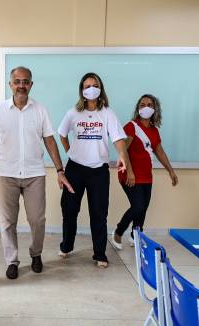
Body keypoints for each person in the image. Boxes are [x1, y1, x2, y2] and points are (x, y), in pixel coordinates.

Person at [0, 66, 68, 280]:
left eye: (25, 81)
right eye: (17, 81)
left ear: (31, 84)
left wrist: (60, 170)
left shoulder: (40, 110)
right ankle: (11, 261)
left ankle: (36, 254)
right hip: (6, 173)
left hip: (34, 174)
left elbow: (50, 140)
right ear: (10, 84)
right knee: (7, 222)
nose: (21, 85)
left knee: (37, 220)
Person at [57, 72, 132, 268]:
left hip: (99, 171)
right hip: (75, 170)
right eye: (87, 85)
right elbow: (62, 134)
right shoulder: (73, 112)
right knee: (70, 209)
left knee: (99, 213)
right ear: (82, 90)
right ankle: (66, 246)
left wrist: (123, 156)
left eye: (94, 85)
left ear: (100, 89)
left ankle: (100, 253)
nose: (91, 88)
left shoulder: (107, 113)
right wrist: (70, 151)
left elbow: (118, 139)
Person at [111, 94, 178, 249]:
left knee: (143, 208)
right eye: (142, 104)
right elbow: (123, 150)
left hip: (146, 176)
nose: (145, 107)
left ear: (155, 109)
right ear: (138, 108)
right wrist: (130, 172)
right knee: (138, 206)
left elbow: (160, 152)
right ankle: (118, 231)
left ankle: (136, 236)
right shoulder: (131, 126)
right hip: (129, 174)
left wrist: (171, 171)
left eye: (149, 104)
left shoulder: (154, 131)